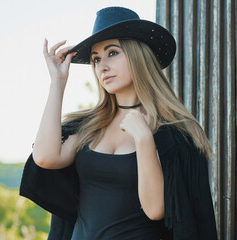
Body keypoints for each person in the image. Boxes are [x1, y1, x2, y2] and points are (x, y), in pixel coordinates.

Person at [20, 6, 217, 240]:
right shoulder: (90, 126)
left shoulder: (174, 135)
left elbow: (155, 211)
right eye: (96, 59)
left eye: (112, 53)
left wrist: (144, 140)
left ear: (137, 56)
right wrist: (58, 82)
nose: (102, 66)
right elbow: (45, 158)